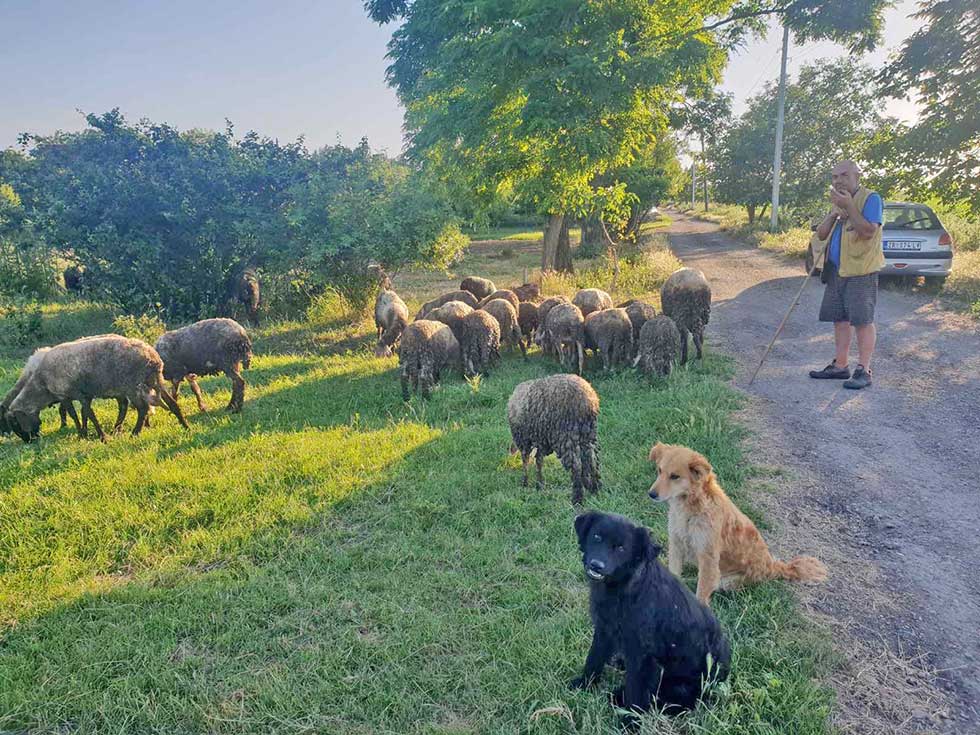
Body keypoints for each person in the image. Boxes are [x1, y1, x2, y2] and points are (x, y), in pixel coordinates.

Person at [808, 161, 884, 390]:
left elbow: (869, 231)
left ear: (857, 176)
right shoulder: (837, 200)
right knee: (839, 319)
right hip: (836, 270)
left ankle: (864, 370)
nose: (838, 180)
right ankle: (841, 366)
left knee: (862, 321)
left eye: (844, 175)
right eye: (834, 177)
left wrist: (849, 206)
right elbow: (821, 234)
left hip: (861, 270)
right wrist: (834, 213)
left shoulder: (871, 199)